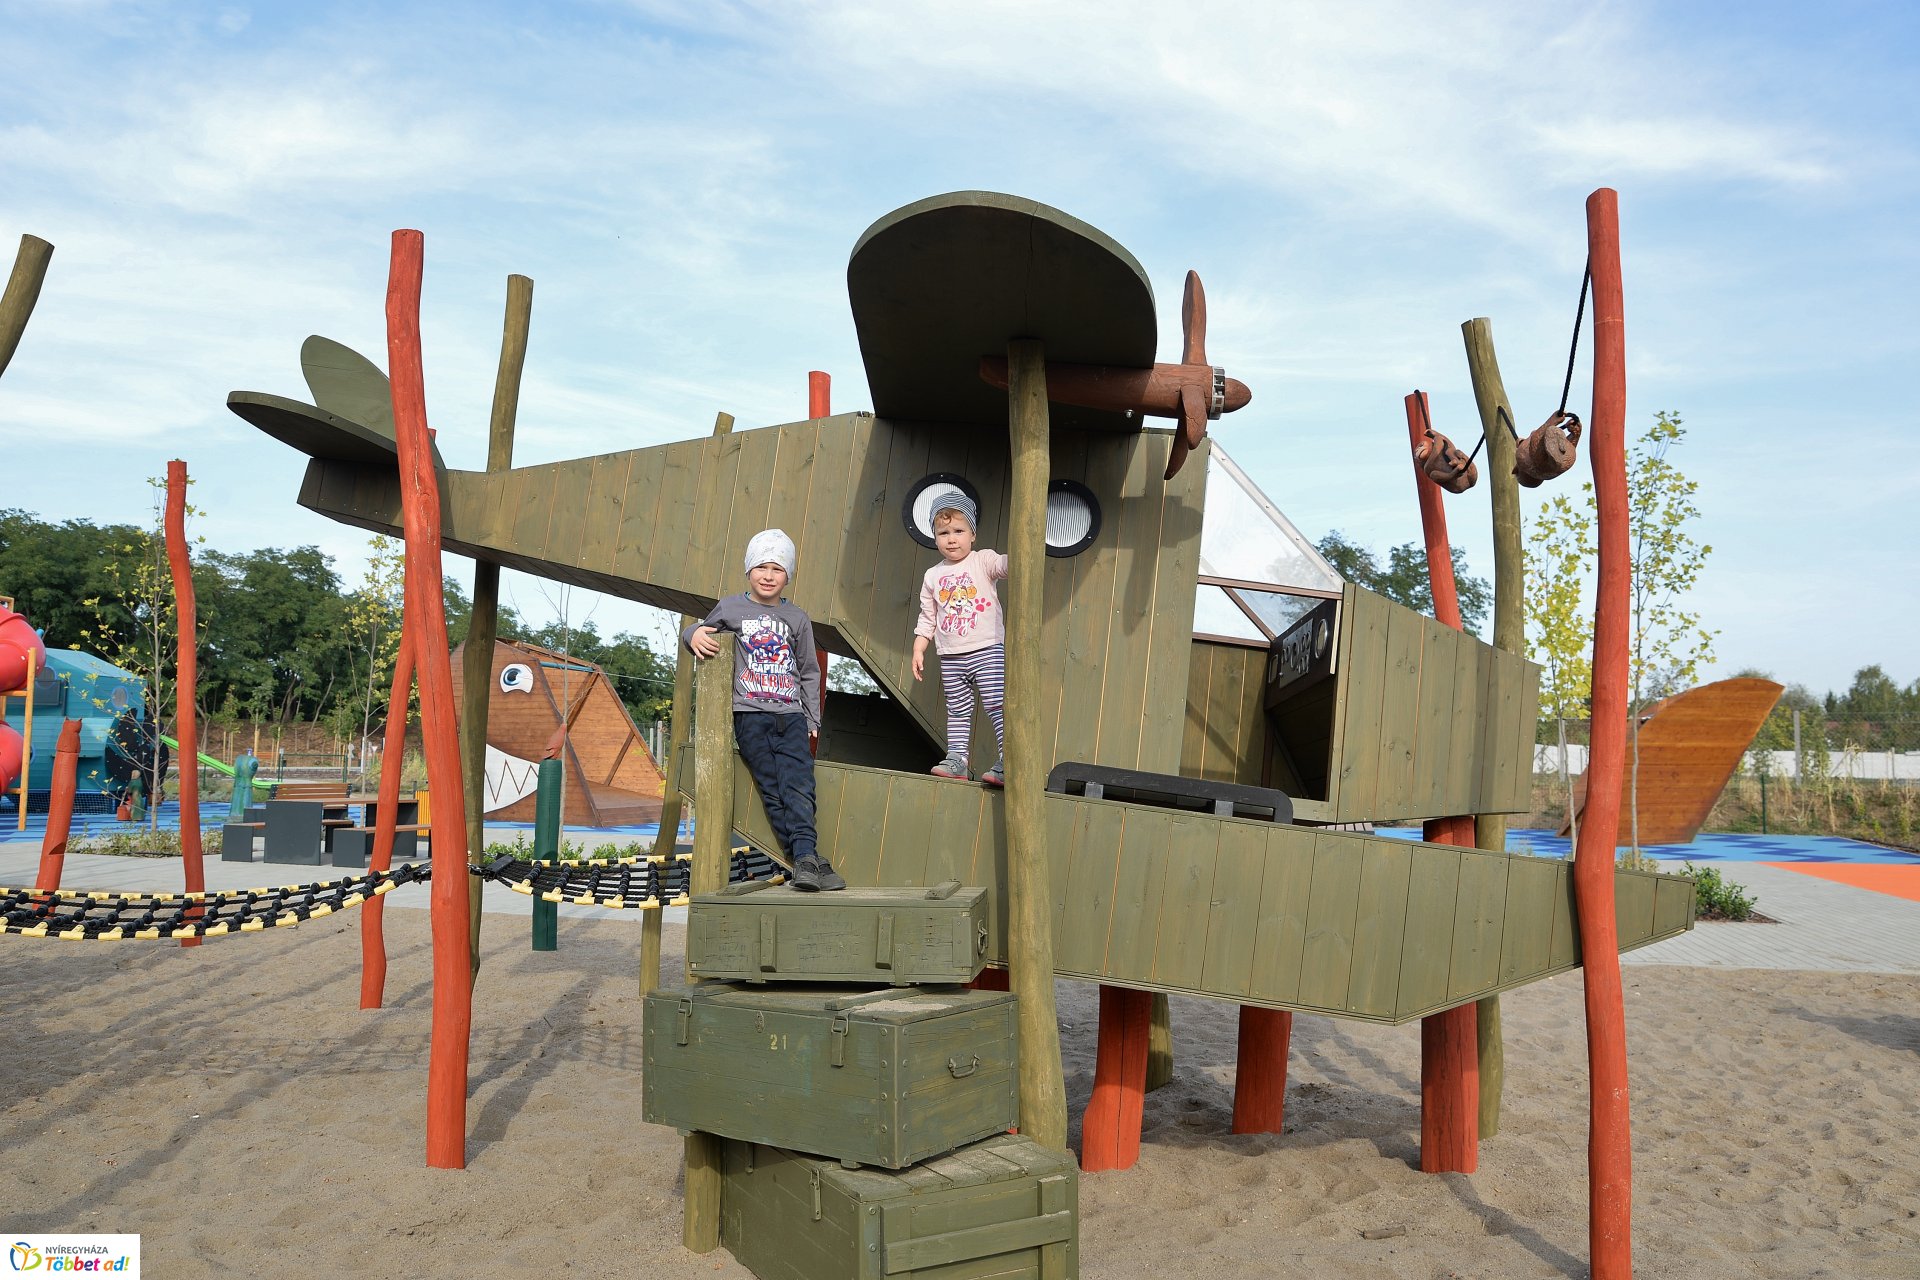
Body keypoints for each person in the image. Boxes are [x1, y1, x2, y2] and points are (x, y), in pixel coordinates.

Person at [683, 529, 846, 892]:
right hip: (750, 716)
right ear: (748, 570)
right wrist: (692, 632)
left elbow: (808, 671)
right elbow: (700, 629)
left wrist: (812, 718)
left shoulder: (797, 618)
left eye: (777, 568)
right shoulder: (730, 607)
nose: (768, 575)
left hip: (791, 717)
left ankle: (804, 859)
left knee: (799, 787)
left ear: (787, 575)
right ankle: (809, 861)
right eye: (761, 567)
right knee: (773, 790)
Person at [910, 490, 1007, 788]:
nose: (951, 538)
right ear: (935, 537)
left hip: (986, 648)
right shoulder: (932, 576)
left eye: (959, 531)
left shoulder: (983, 560)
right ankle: (957, 760)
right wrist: (919, 648)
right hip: (951, 655)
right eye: (943, 532)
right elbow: (928, 616)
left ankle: (1009, 759)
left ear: (973, 535)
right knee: (958, 708)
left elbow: (1007, 566)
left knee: (995, 703)